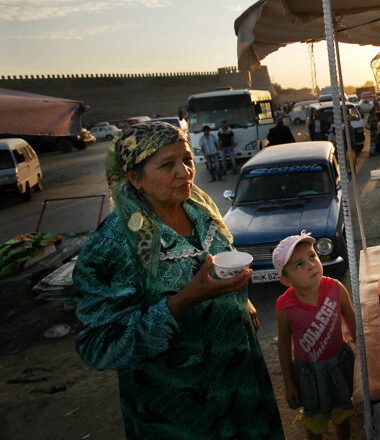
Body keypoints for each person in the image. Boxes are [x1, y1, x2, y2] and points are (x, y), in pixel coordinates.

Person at [72, 121, 283, 439]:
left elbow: (218, 261)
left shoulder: (200, 210)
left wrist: (239, 300)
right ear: (134, 177)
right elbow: (99, 347)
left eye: (186, 159)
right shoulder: (117, 242)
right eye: (167, 164)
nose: (185, 172)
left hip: (240, 385)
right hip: (181, 409)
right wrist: (182, 302)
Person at [274, 231, 356, 440]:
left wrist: (365, 357)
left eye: (312, 256)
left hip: (340, 363)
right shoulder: (284, 306)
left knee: (343, 412)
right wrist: (289, 383)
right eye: (298, 264)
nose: (311, 264)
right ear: (286, 279)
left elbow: (352, 321)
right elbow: (284, 344)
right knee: (314, 423)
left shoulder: (335, 287)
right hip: (308, 374)